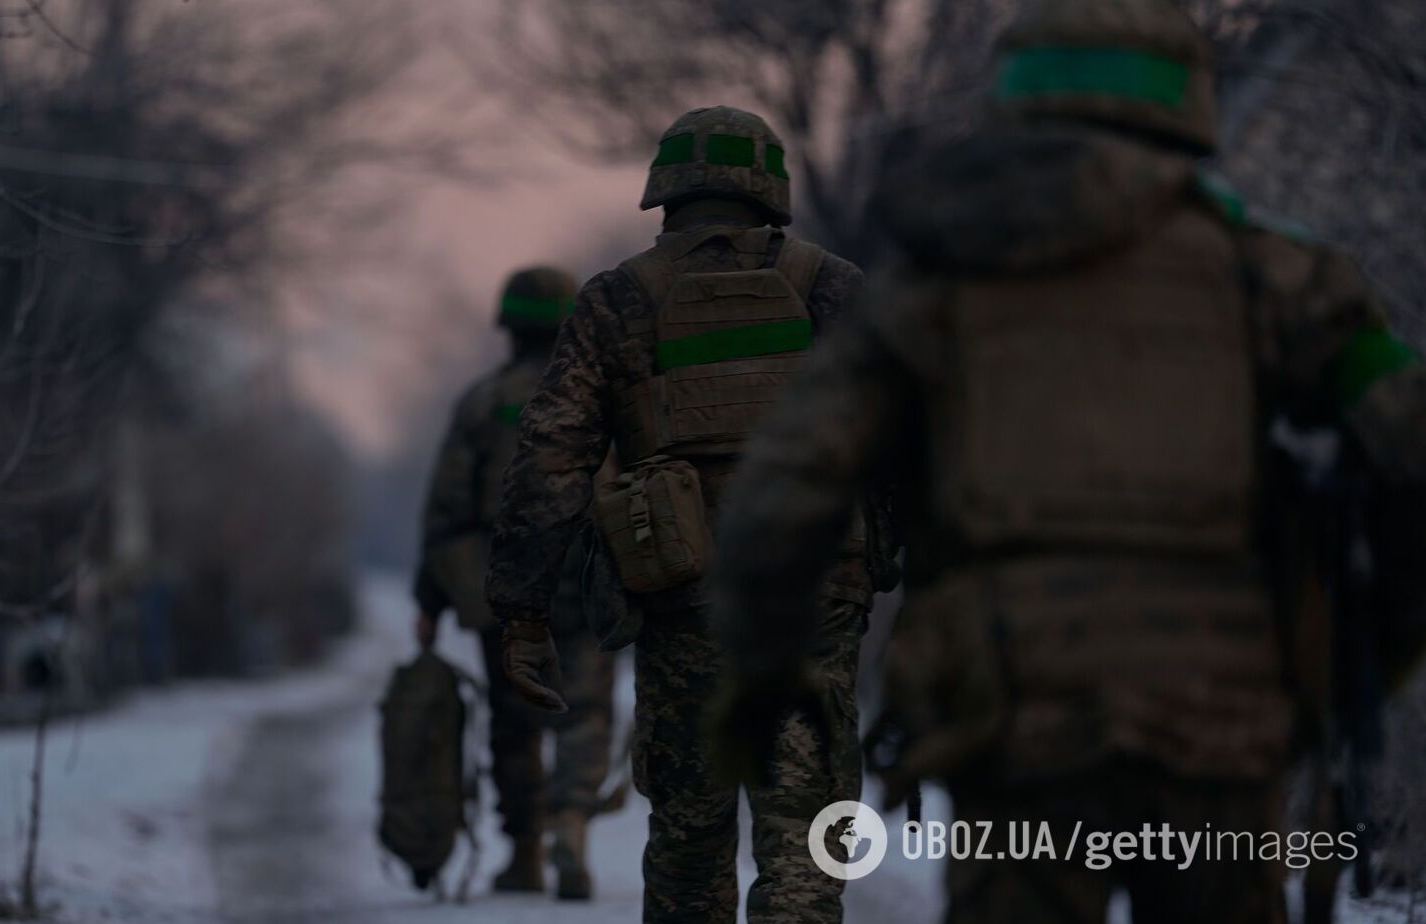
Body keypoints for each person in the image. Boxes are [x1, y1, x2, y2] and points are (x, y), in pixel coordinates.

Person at [709, 1, 1426, 921]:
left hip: (1009, 708)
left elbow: (788, 485)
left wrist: (766, 672)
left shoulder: (932, 287)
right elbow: (1408, 443)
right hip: (1220, 713)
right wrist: (1359, 659)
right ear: (1185, 100)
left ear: (1017, 100)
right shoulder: (1272, 275)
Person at [485, 106, 880, 923]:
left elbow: (551, 458)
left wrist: (523, 610)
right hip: (815, 589)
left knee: (689, 837)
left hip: (686, 589)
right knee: (804, 835)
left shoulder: (618, 300)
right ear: (769, 188)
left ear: (665, 190)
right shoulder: (836, 288)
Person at [415, 266, 617, 899]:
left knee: (515, 722)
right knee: (584, 711)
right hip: (587, 575)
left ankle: (526, 850)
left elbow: (447, 507)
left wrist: (431, 599)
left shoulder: (482, 402)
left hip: (500, 587)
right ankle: (572, 822)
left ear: (508, 327)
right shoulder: (605, 397)